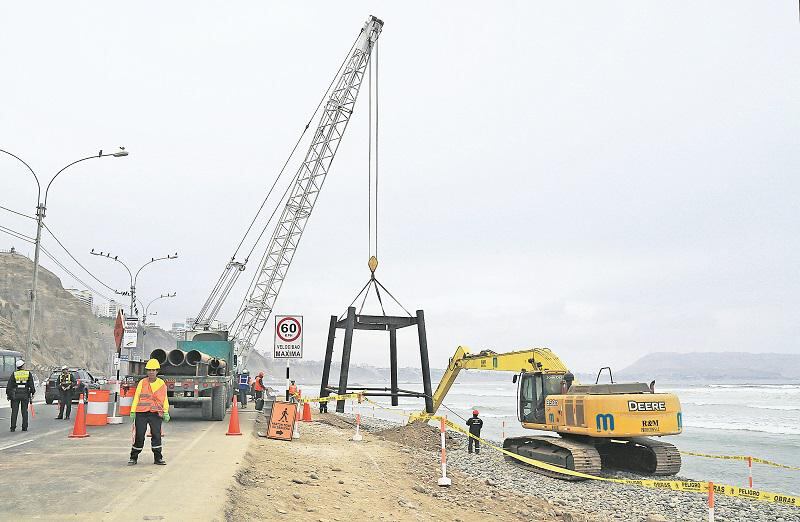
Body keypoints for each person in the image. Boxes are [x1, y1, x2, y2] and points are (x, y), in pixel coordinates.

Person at [129, 358, 170, 466]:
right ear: (147, 371)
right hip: (141, 413)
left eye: (153, 370)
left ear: (157, 371)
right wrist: (133, 411)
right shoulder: (142, 382)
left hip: (155, 413)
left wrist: (166, 412)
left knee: (156, 435)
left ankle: (158, 458)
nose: (151, 372)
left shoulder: (161, 383)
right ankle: (133, 457)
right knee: (139, 435)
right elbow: (137, 397)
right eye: (149, 370)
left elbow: (165, 399)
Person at [6, 359, 35, 432]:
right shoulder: (28, 373)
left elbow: (9, 386)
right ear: (22, 366)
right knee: (24, 411)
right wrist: (32, 392)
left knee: (14, 412)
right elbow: (31, 385)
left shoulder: (14, 374)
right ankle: (24, 427)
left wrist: (8, 395)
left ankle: (13, 427)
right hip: (25, 395)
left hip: (15, 395)